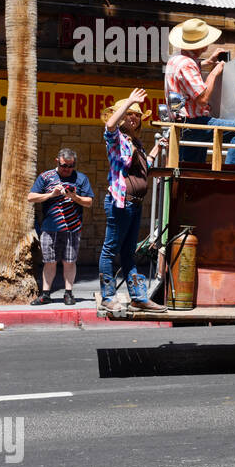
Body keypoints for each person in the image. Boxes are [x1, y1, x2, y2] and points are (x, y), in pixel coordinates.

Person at [99, 89, 167, 313]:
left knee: (128, 254)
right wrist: (129, 101)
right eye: (129, 113)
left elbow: (144, 166)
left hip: (134, 203)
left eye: (137, 115)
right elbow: (109, 126)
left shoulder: (136, 143)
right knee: (110, 251)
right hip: (122, 202)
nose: (133, 117)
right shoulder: (115, 137)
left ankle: (138, 297)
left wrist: (158, 148)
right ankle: (108, 297)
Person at [164, 17, 235, 166]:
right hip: (194, 124)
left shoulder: (175, 59)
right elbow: (202, 99)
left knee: (192, 167)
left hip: (182, 125)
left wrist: (208, 63)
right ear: (204, 44)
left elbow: (187, 73)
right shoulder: (187, 65)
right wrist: (215, 71)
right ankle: (231, 175)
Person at [27, 148, 95, 305]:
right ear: (57, 161)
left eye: (71, 166)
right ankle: (45, 294)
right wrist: (51, 195)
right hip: (50, 227)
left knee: (69, 261)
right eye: (64, 165)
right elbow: (31, 197)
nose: (67, 169)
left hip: (73, 228)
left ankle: (69, 293)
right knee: (49, 261)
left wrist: (74, 196)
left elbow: (89, 202)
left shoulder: (81, 178)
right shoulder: (46, 177)